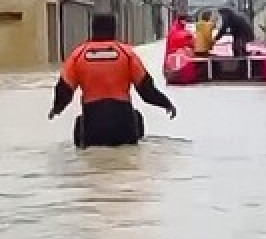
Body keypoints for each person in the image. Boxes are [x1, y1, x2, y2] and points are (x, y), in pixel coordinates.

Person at [49, 12, 176, 148]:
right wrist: (166, 104)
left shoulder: (78, 55)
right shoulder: (127, 53)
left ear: (92, 29)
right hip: (123, 124)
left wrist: (56, 109)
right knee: (136, 121)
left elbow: (64, 90)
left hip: (92, 125)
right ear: (114, 29)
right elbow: (146, 90)